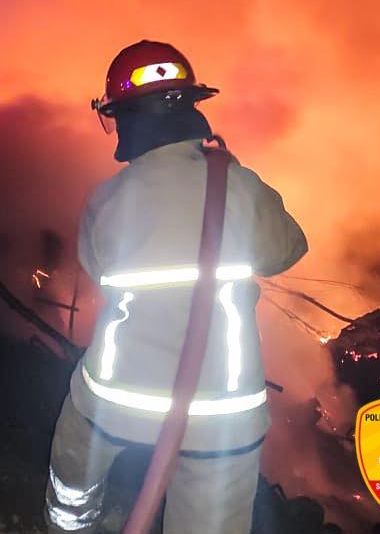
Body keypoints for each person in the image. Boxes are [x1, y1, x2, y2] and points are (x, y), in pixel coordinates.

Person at [45, 40, 308, 534]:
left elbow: (97, 270)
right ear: (191, 107)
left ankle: (68, 523)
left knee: (77, 433)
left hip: (118, 398)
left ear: (122, 119)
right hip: (223, 410)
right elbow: (287, 250)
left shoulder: (108, 199)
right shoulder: (238, 183)